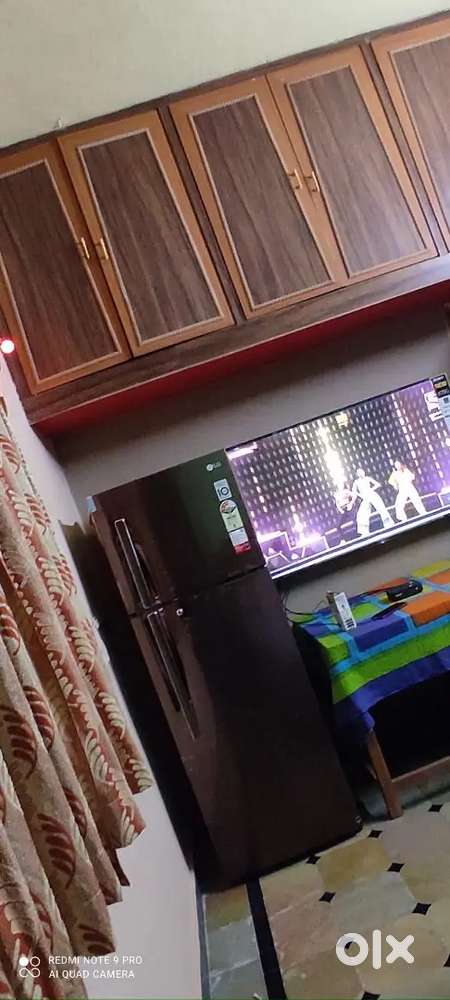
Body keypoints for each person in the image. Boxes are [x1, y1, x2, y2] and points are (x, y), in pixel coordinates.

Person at [352, 467, 394, 537]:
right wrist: (361, 495)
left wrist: (371, 489)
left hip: (372, 494)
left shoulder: (367, 478)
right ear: (357, 474)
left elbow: (378, 484)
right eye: (359, 472)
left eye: (362, 472)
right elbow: (354, 491)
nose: (361, 473)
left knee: (381, 508)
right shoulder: (356, 482)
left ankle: (389, 524)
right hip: (365, 497)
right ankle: (364, 532)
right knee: (362, 514)